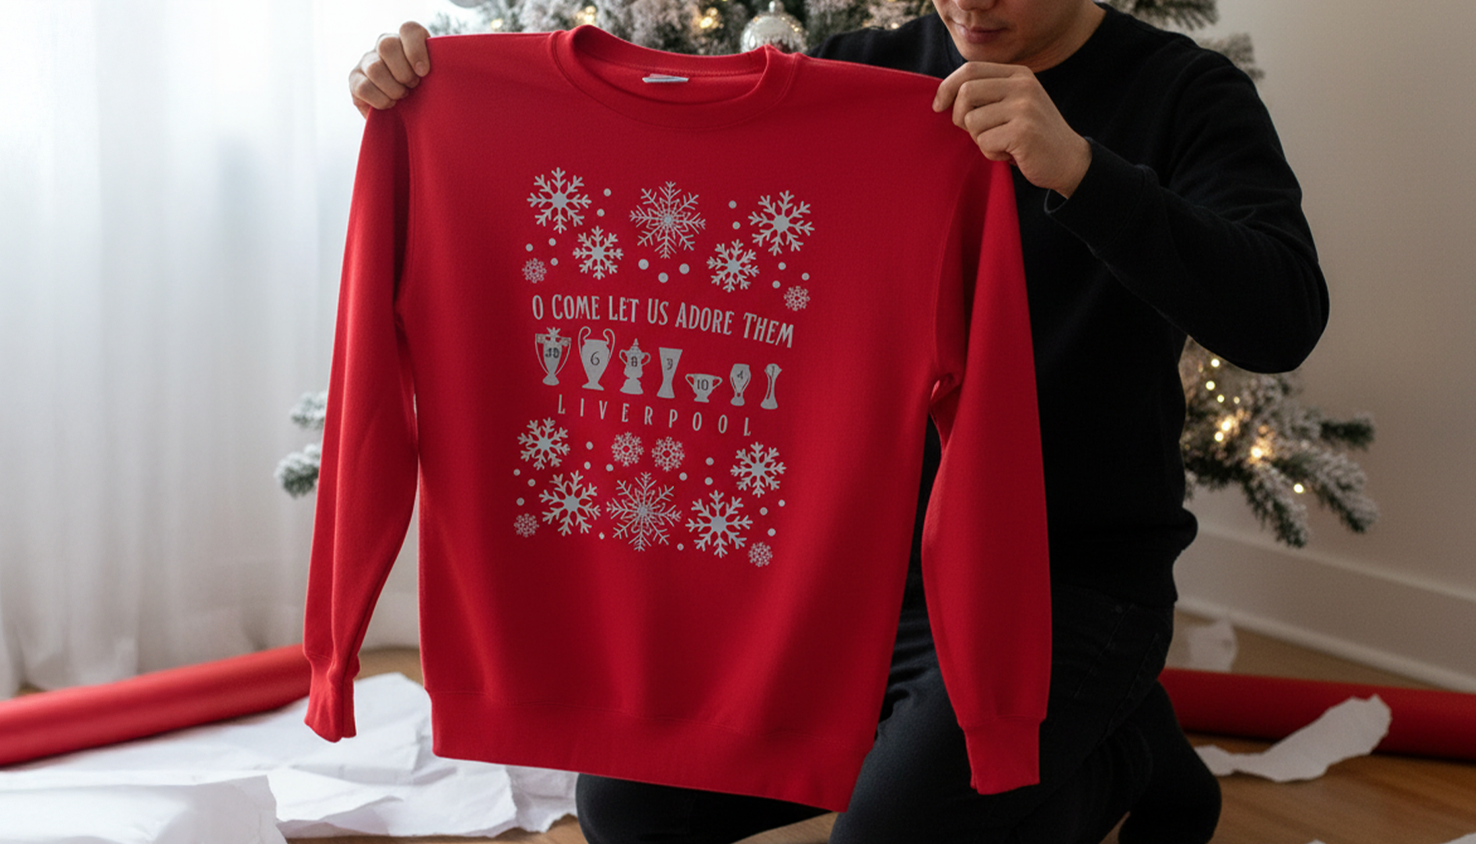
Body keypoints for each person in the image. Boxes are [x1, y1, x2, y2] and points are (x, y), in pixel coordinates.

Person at [348, 1, 1328, 841]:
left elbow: (1282, 314)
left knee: (895, 833)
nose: (970, 7)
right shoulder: (866, 76)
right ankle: (1088, 740)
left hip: (1073, 583)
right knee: (630, 807)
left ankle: (1123, 759)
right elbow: (657, 138)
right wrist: (431, 87)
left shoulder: (1184, 95)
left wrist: (1079, 169)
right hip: (853, 584)